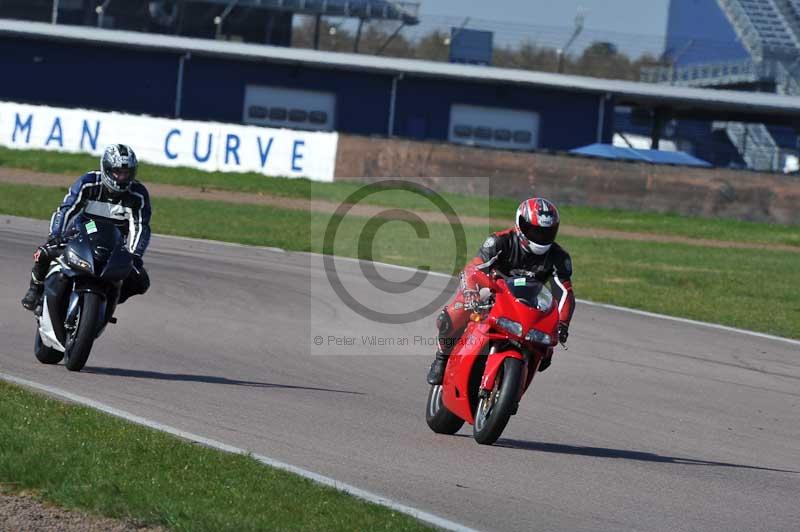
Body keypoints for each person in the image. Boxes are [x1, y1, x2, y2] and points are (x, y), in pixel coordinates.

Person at [426, 197, 575, 385]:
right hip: (492, 291)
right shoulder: (500, 241)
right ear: (520, 224)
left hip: (529, 303)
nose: (539, 236)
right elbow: (474, 268)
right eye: (534, 230)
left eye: (546, 232)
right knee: (452, 316)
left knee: (546, 352)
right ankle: (441, 357)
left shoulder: (559, 257)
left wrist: (562, 324)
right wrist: (471, 292)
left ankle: (515, 386)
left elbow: (564, 292)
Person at [21, 144, 152, 311]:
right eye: (117, 172)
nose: (121, 178)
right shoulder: (88, 182)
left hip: (115, 241)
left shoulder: (138, 194)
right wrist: (55, 235)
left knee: (141, 281)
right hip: (84, 231)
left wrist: (135, 255)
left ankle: (109, 298)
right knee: (45, 252)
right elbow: (66, 209)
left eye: (126, 173)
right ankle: (35, 288)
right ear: (106, 169)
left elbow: (141, 227)